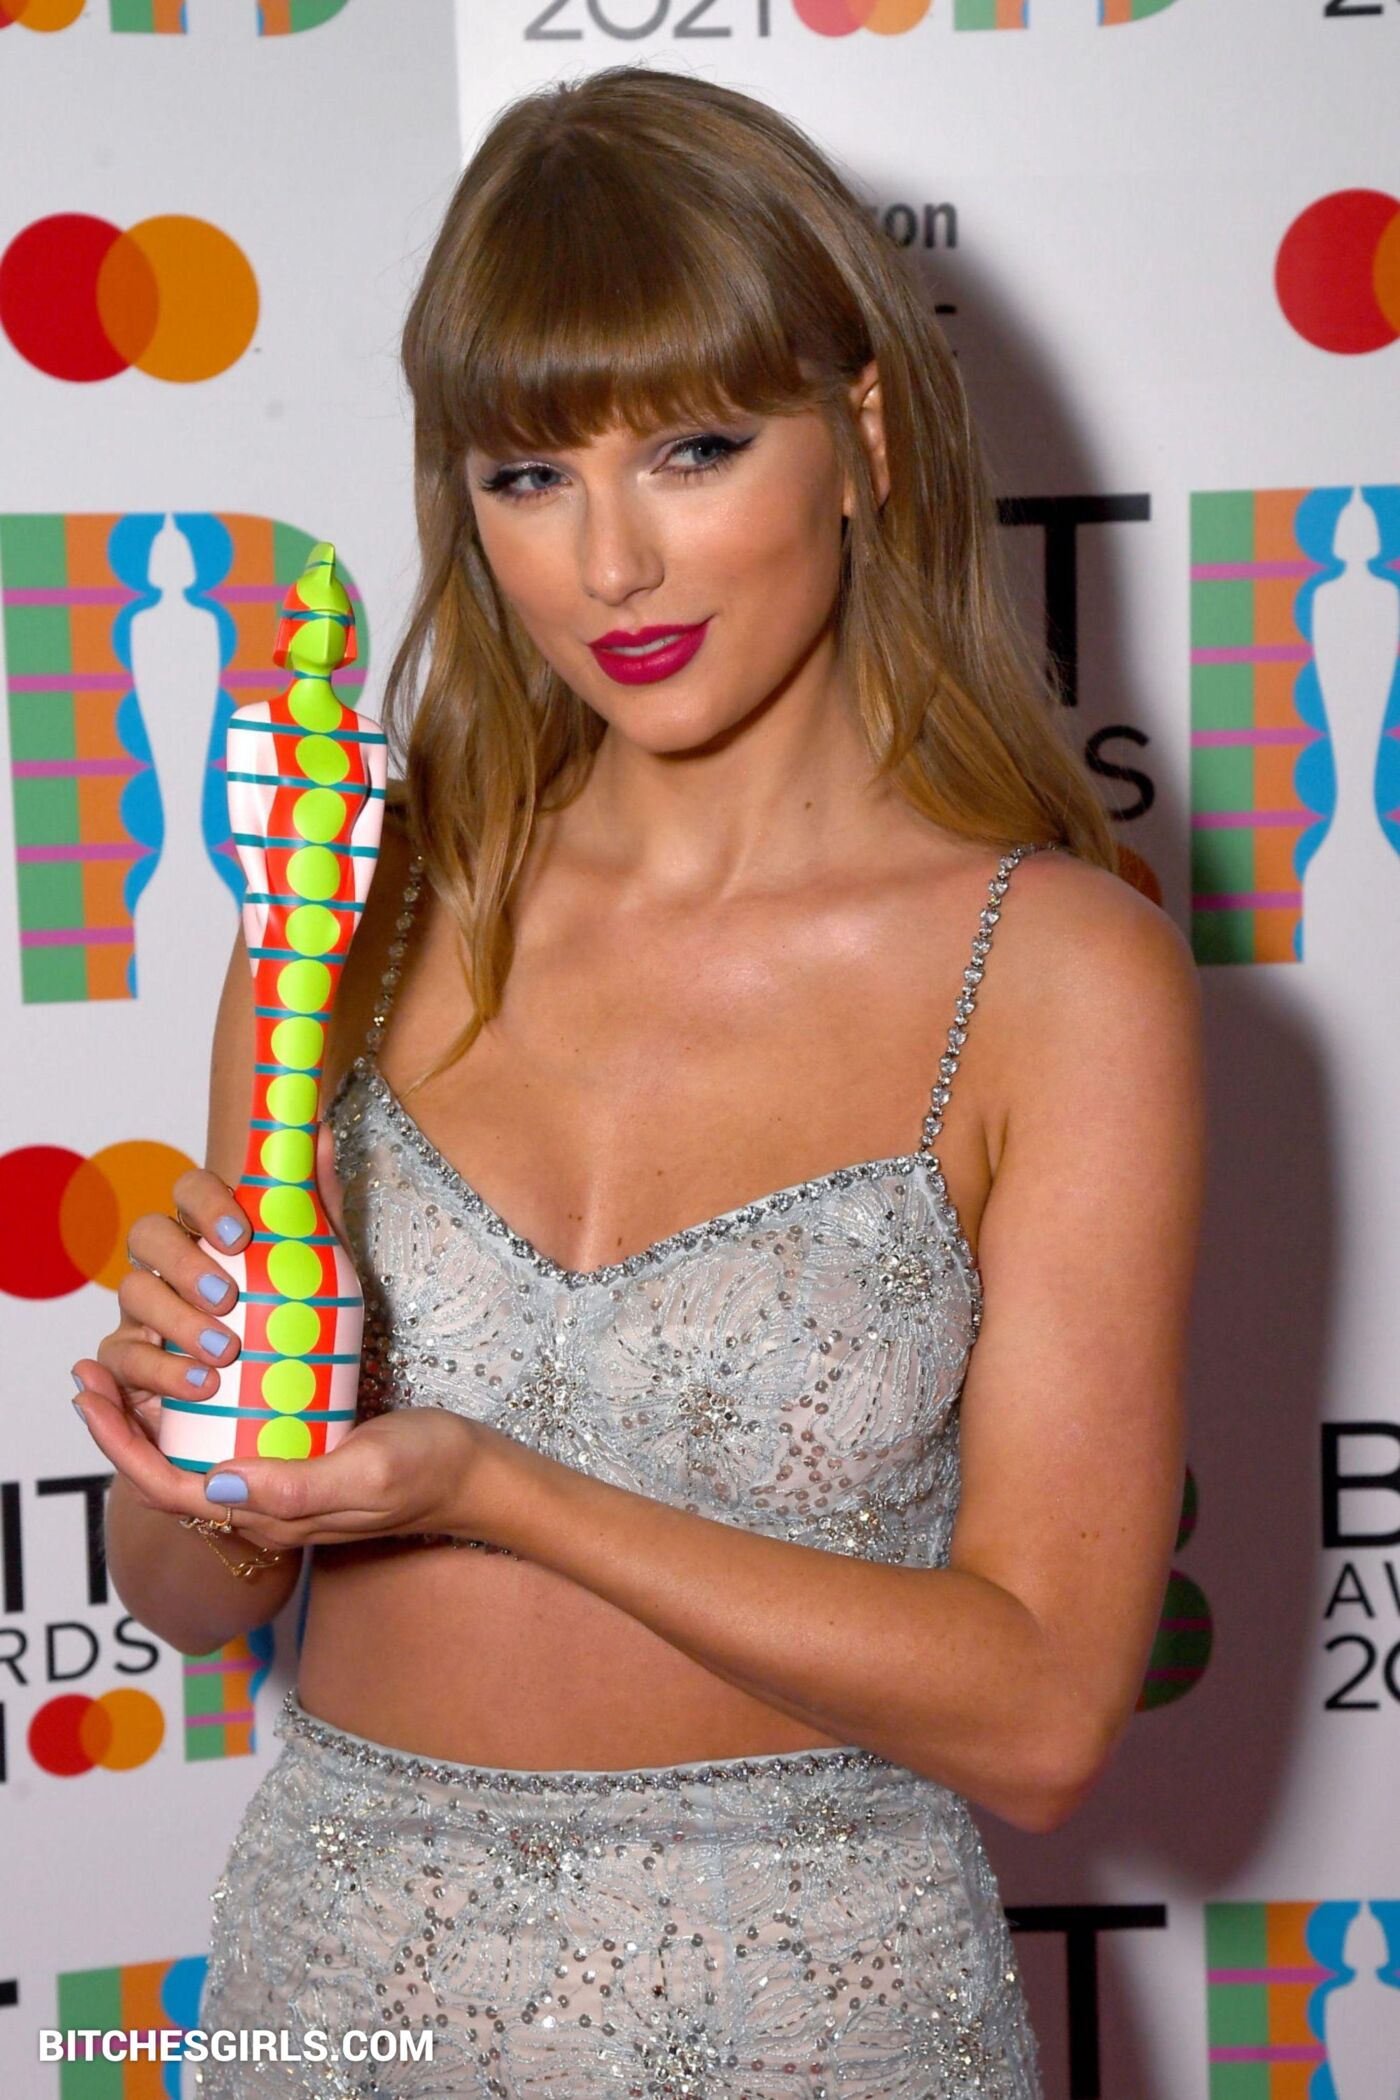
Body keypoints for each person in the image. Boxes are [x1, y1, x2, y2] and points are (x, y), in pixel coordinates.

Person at [71, 63, 1205, 2100]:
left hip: (822, 2016)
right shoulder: (356, 899)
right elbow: (187, 1599)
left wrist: (494, 1490)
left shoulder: (1057, 975)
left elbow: (1044, 1716)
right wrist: (203, 1448)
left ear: (861, 440)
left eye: (692, 448)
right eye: (528, 474)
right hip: (339, 1987)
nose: (610, 565)